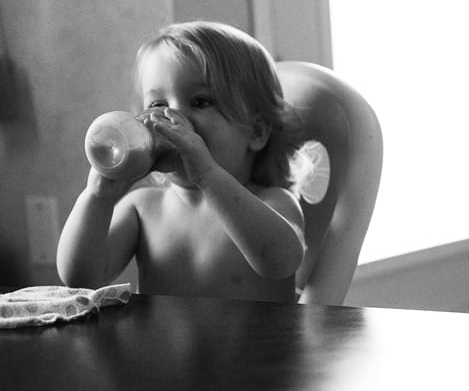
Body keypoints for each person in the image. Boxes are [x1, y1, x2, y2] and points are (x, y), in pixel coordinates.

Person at [57, 21, 312, 302]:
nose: (171, 117)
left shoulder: (273, 202)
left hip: (258, 346)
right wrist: (96, 198)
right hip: (161, 348)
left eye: (200, 101)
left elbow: (280, 263)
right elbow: (80, 279)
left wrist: (207, 174)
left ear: (257, 132)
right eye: (157, 105)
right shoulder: (142, 208)